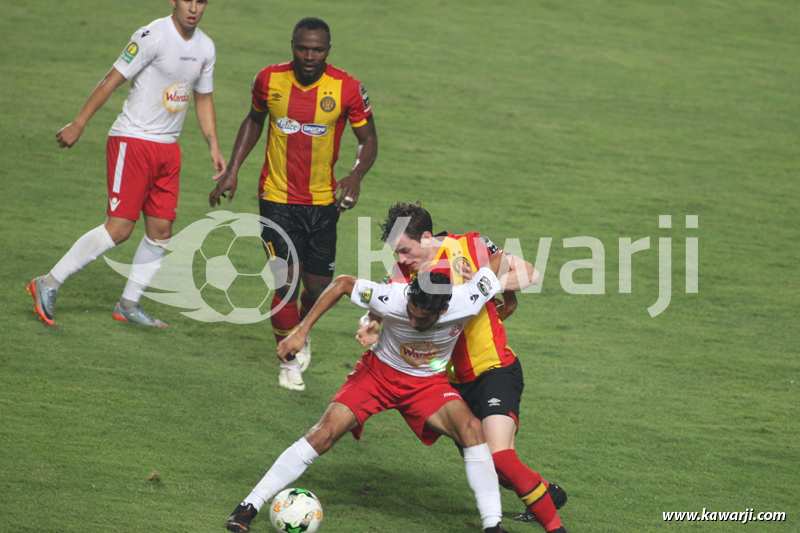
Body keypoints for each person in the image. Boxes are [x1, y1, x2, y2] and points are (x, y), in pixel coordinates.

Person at [225, 253, 514, 533]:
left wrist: (489, 279)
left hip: (428, 384)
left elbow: (501, 256)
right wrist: (301, 331)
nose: (414, 322)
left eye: (423, 320)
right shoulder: (394, 297)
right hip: (377, 376)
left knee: (472, 429)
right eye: (411, 313)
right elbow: (342, 283)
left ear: (444, 309)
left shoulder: (468, 298)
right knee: (323, 434)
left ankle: (493, 525)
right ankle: (249, 505)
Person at [356, 202, 567, 532]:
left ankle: (554, 525)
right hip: (451, 384)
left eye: (403, 250)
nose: (399, 259)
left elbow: (531, 273)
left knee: (499, 456)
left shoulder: (472, 245)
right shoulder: (406, 273)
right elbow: (381, 302)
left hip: (495, 369)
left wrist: (488, 284)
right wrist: (369, 322)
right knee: (489, 465)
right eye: (396, 252)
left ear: (426, 238)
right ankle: (547, 493)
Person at [28, 0, 226, 328]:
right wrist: (79, 123)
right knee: (119, 228)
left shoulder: (206, 47)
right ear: (173, 1)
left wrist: (214, 146)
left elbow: (203, 96)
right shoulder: (152, 35)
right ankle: (48, 282)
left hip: (168, 151)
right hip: (132, 142)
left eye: (201, 1)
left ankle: (128, 304)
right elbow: (112, 78)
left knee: (161, 232)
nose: (193, 7)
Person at [209, 17, 378, 391]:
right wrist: (233, 169)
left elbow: (368, 140)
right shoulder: (269, 80)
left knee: (318, 288)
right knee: (285, 280)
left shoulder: (347, 88)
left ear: (327, 51)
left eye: (317, 50)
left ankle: (301, 331)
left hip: (323, 203)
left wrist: (354, 177)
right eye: (302, 48)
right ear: (292, 46)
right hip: (276, 198)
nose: (309, 56)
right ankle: (288, 363)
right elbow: (254, 121)